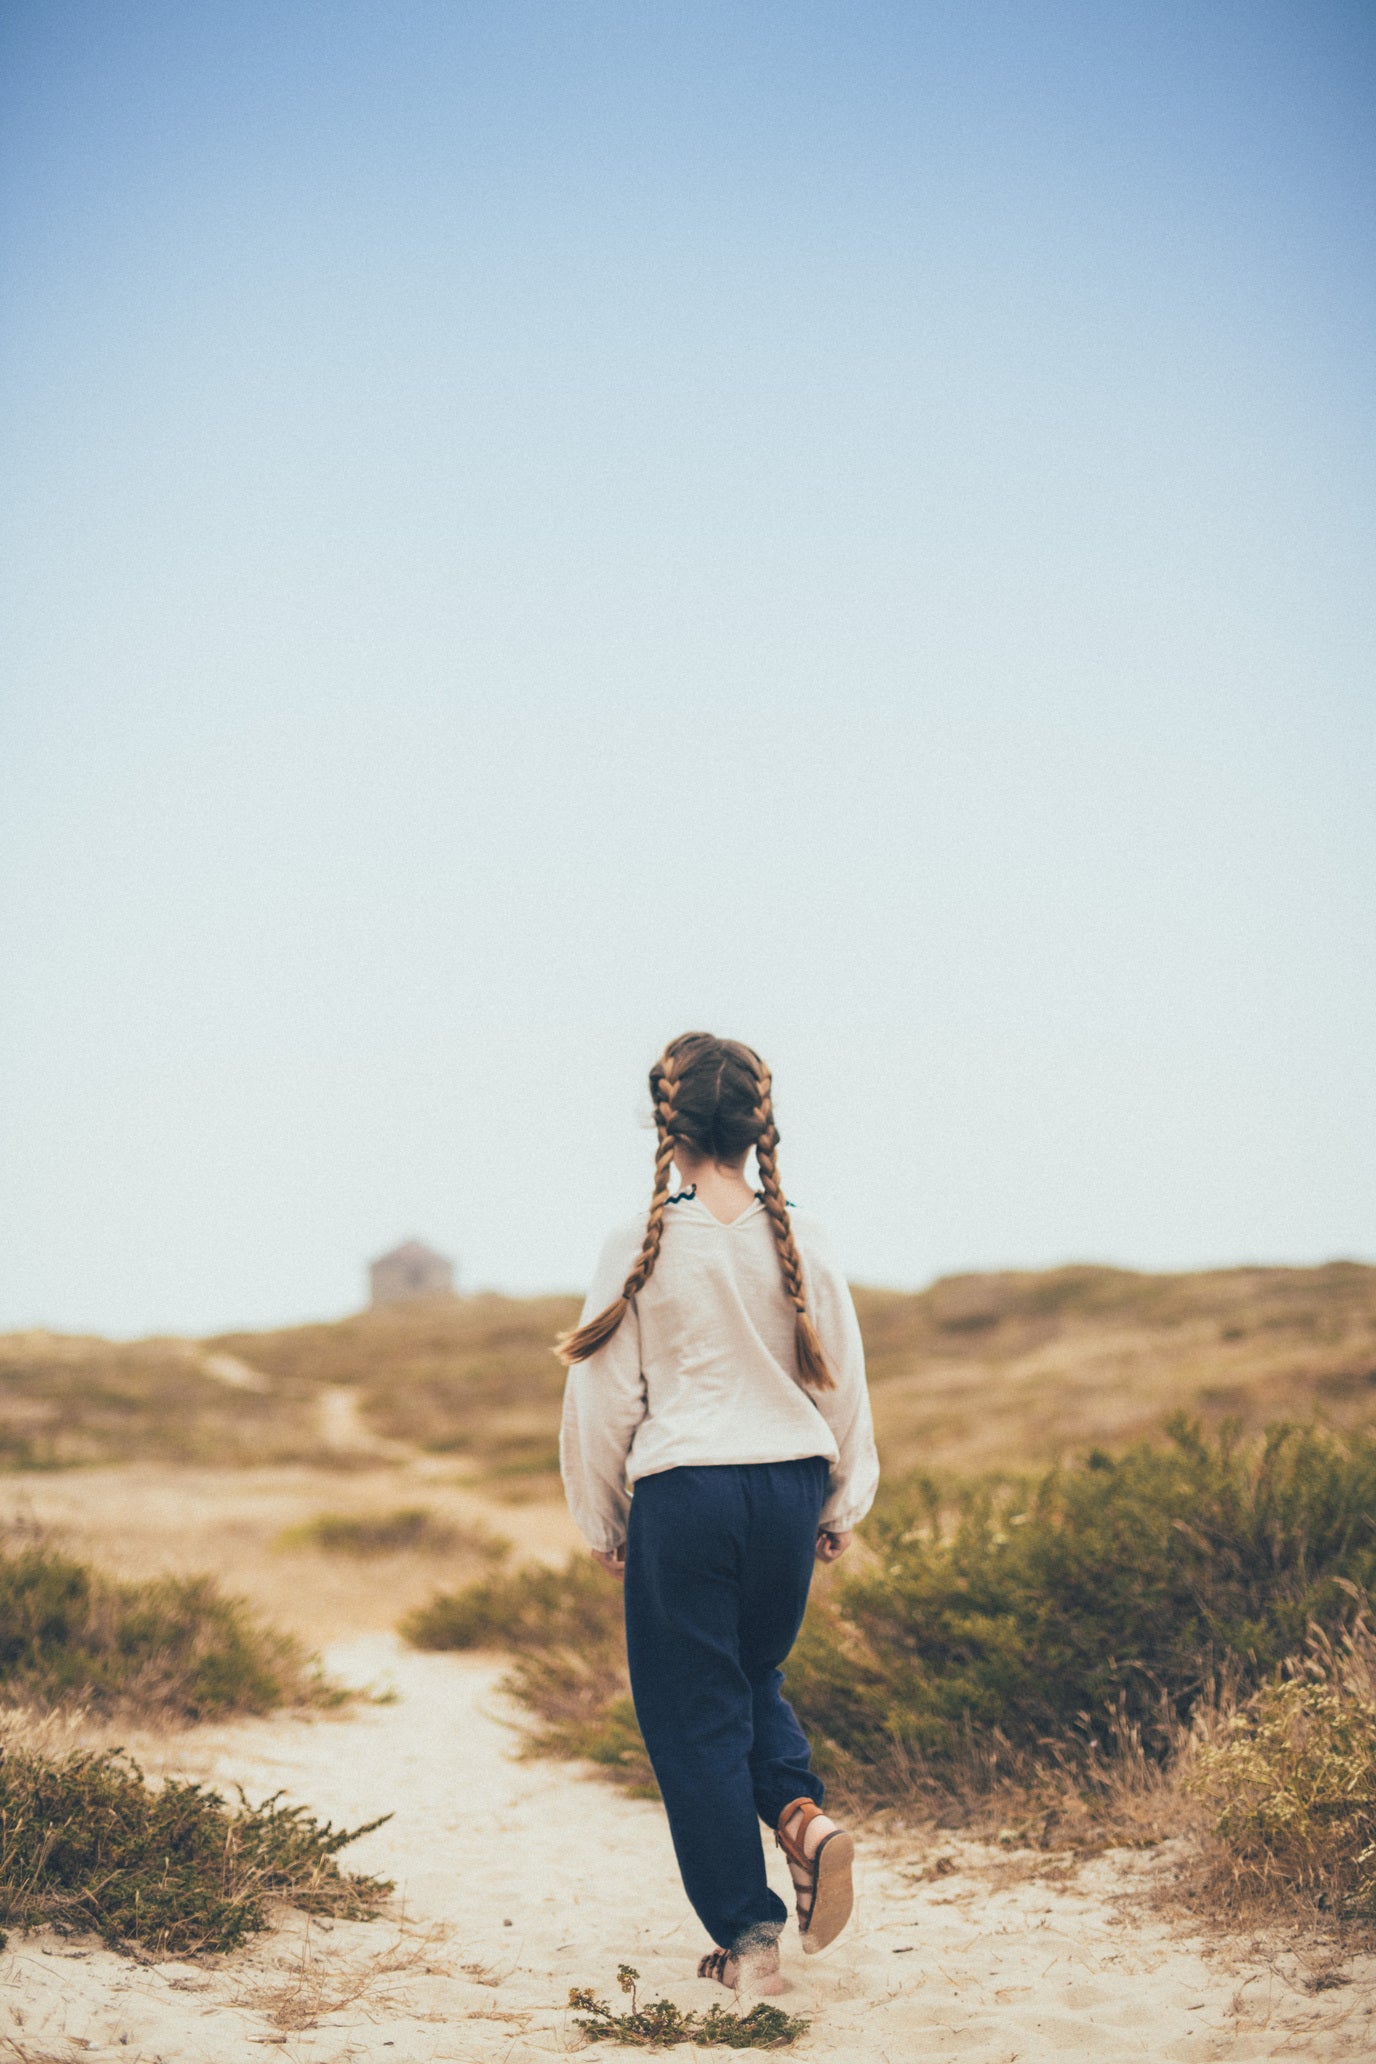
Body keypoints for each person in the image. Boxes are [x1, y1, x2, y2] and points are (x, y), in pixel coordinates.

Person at [557, 1032, 879, 1996]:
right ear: (757, 1125)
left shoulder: (639, 1240)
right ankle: (799, 1818)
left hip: (686, 1494)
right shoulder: (803, 1235)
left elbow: (602, 1401)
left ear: (666, 1121)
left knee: (691, 1716)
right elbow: (845, 1379)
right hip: (785, 1487)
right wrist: (840, 1496)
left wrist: (606, 1521)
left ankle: (750, 1942)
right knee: (751, 1674)